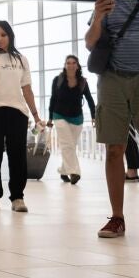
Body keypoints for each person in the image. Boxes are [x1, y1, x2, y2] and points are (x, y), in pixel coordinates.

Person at [84, 0, 139, 238]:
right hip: (112, 78)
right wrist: (99, 16)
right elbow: (90, 43)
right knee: (114, 148)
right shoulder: (109, 0)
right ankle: (117, 217)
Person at [0, 21, 42, 213]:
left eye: (3, 35)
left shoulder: (21, 60)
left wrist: (36, 115)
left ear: (10, 36)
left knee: (17, 156)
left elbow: (27, 89)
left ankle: (17, 197)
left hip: (17, 111)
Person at [46, 55, 95, 185]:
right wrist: (50, 117)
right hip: (59, 116)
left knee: (70, 146)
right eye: (68, 63)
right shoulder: (58, 80)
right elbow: (53, 99)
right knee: (67, 145)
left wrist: (94, 116)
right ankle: (75, 172)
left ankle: (63, 171)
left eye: (74, 63)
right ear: (65, 65)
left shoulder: (82, 82)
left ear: (77, 66)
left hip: (77, 118)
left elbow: (89, 99)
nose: (71, 65)